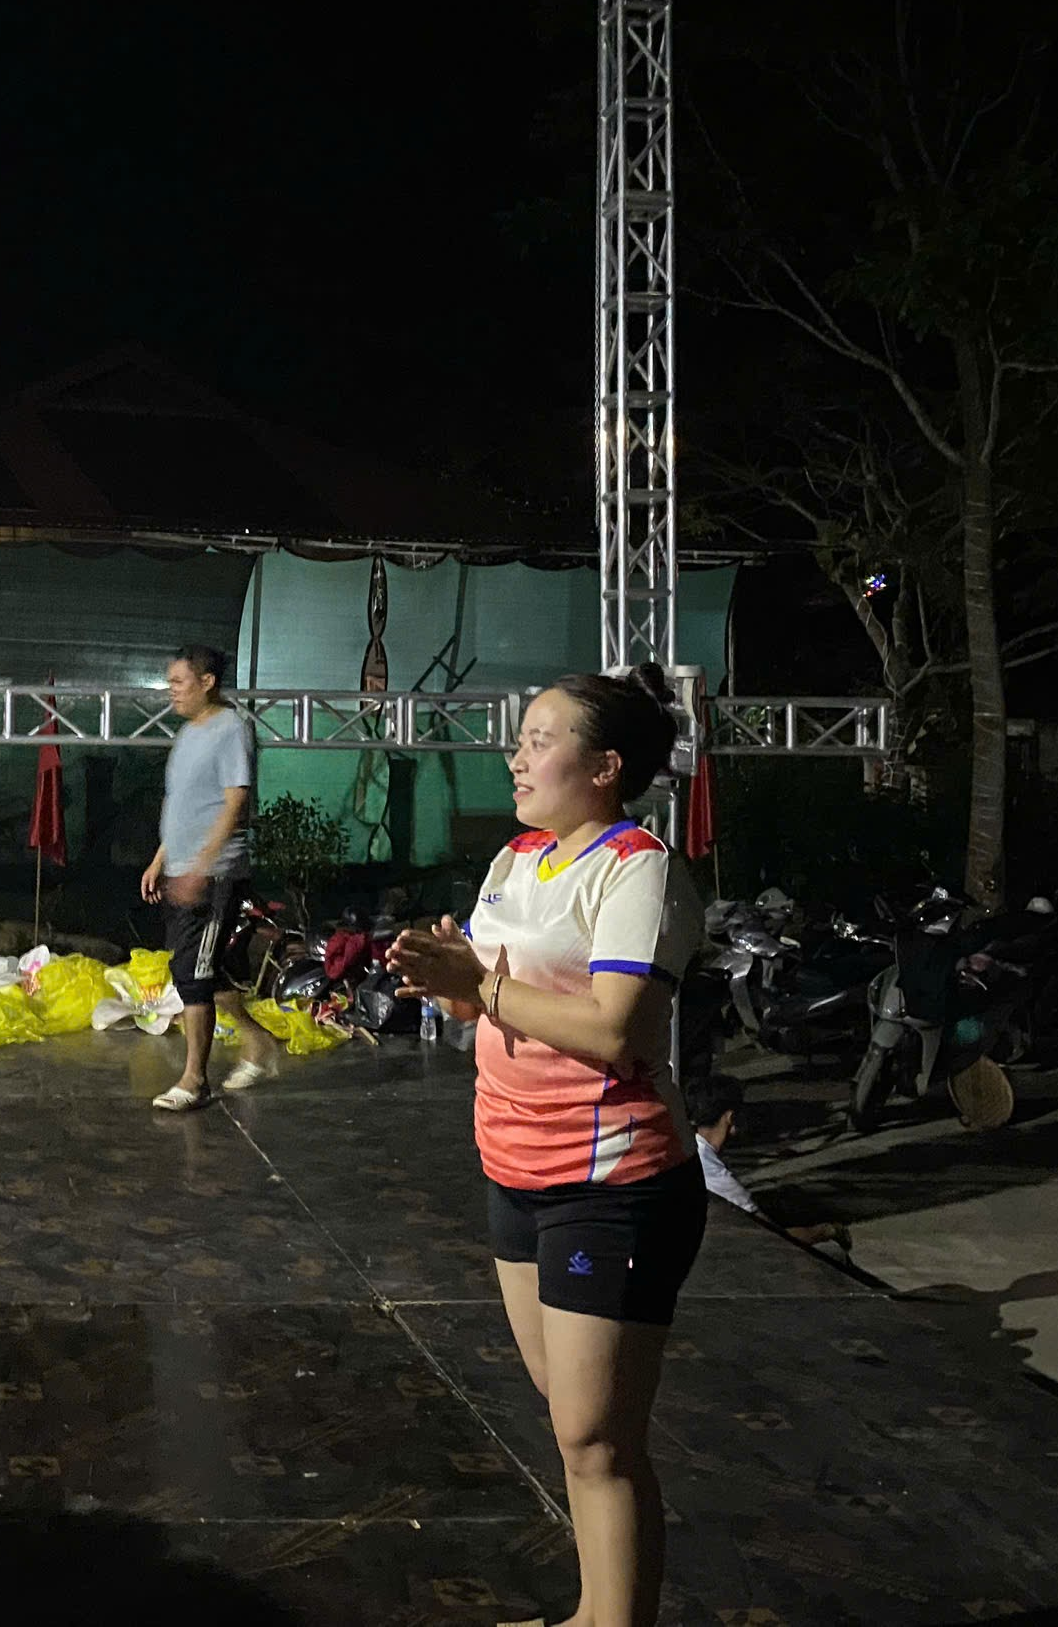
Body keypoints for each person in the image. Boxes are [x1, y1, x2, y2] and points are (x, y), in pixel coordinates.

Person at [388, 664, 704, 1627]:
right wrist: (444, 979)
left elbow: (616, 1030)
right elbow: (490, 1000)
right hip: (515, 1171)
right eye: (520, 738)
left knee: (596, 1435)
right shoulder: (516, 860)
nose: (516, 757)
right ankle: (591, 1615)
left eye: (540, 739)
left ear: (605, 767)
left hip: (611, 1185)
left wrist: (480, 986)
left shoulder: (639, 868)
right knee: (575, 1430)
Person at [141, 643, 281, 1110]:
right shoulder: (187, 734)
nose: (172, 691)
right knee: (202, 968)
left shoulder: (231, 729)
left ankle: (194, 1081)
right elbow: (184, 805)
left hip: (214, 876)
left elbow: (235, 803)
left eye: (179, 682)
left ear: (207, 682)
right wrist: (161, 860)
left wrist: (201, 866)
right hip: (181, 871)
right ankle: (258, 1042)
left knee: (193, 973)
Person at [686, 1076, 848, 1251]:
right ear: (731, 1117)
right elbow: (774, 1236)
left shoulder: (686, 1150)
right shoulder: (718, 1178)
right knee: (833, 1252)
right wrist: (825, 1231)